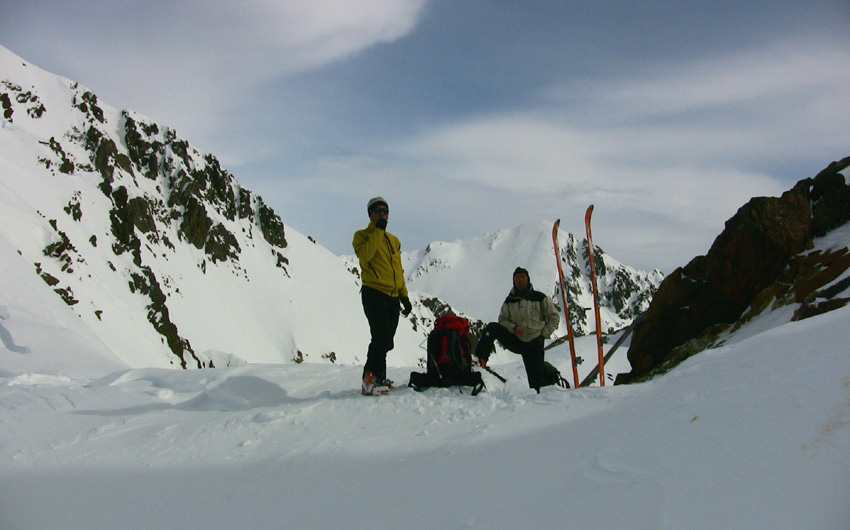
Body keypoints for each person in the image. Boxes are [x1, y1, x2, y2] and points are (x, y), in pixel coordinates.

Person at [352, 197, 412, 395]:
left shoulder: (393, 240)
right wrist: (378, 230)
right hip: (374, 292)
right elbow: (366, 255)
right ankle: (369, 379)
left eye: (385, 211)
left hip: (393, 296)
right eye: (377, 211)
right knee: (380, 336)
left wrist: (404, 296)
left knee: (387, 341)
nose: (382, 214)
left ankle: (380, 376)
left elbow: (398, 270)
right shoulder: (361, 236)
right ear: (370, 214)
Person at [474, 267, 569, 392]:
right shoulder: (509, 301)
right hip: (516, 340)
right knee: (492, 328)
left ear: (528, 279)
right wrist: (513, 328)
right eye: (517, 277)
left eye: (522, 277)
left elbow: (554, 317)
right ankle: (480, 360)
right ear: (514, 281)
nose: (520, 280)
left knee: (536, 383)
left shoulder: (540, 298)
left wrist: (543, 335)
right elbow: (502, 320)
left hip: (535, 342)